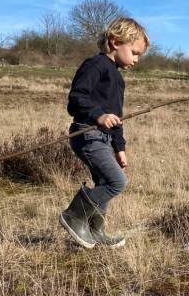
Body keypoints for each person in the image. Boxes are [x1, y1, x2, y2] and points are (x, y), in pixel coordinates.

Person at [60, 17, 150, 248]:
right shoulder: (95, 65)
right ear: (114, 42)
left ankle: (94, 230)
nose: (137, 60)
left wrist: (120, 148)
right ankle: (74, 215)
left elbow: (116, 117)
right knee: (116, 182)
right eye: (135, 52)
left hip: (103, 139)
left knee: (103, 181)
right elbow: (76, 99)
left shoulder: (117, 78)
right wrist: (98, 115)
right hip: (86, 134)